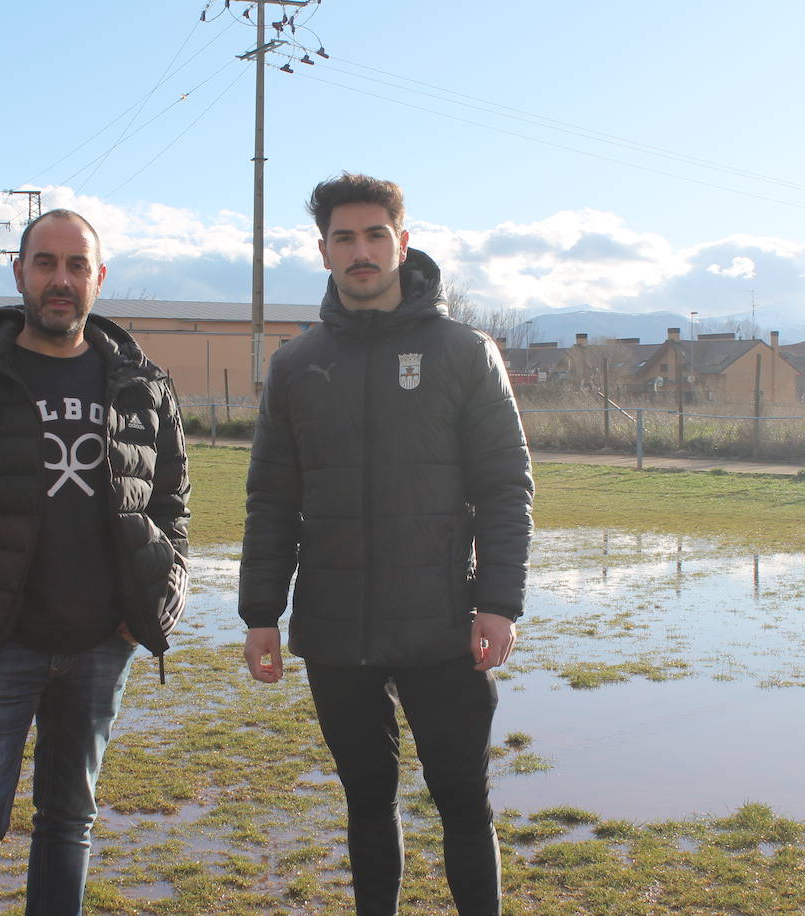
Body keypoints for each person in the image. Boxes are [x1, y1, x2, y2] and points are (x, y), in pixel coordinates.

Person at [239, 173, 533, 916]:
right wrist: (261, 614)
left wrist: (497, 603)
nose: (361, 250)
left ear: (403, 242)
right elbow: (271, 500)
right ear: (323, 251)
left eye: (376, 235)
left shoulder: (465, 352)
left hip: (440, 624)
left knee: (463, 799)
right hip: (336, 631)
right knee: (367, 801)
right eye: (345, 237)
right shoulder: (297, 365)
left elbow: (505, 486)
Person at [0, 208, 190, 915]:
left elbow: (171, 504)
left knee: (68, 825)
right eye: (46, 263)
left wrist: (155, 603)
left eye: (77, 265)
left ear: (98, 278)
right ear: (19, 272)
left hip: (99, 646)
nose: (61, 280)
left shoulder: (142, 387)